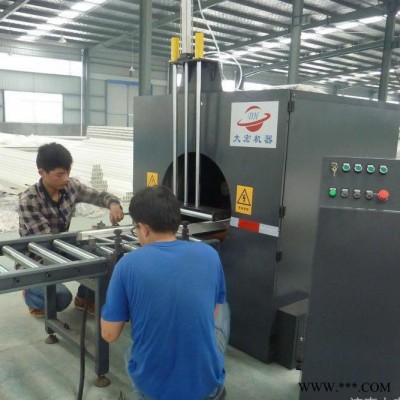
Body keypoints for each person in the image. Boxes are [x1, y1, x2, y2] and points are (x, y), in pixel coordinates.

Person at [101, 186, 230, 400]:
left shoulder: (127, 265)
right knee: (223, 306)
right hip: (208, 387)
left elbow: (109, 334)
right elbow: (213, 312)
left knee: (131, 350)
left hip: (155, 392)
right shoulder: (209, 254)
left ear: (143, 228)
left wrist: (115, 300)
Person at [18, 142, 124, 317]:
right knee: (60, 298)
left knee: (109, 259)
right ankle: (31, 293)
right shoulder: (29, 200)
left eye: (68, 172)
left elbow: (101, 196)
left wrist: (113, 205)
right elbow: (46, 242)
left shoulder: (70, 187)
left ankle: (85, 298)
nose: (66, 178)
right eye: (60, 174)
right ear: (42, 172)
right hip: (37, 259)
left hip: (62, 247)